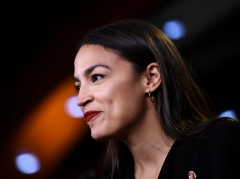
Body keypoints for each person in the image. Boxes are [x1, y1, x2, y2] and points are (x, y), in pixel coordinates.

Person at [73, 19, 240, 179]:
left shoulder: (224, 144)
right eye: (78, 86)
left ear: (151, 78)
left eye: (96, 77)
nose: (81, 99)